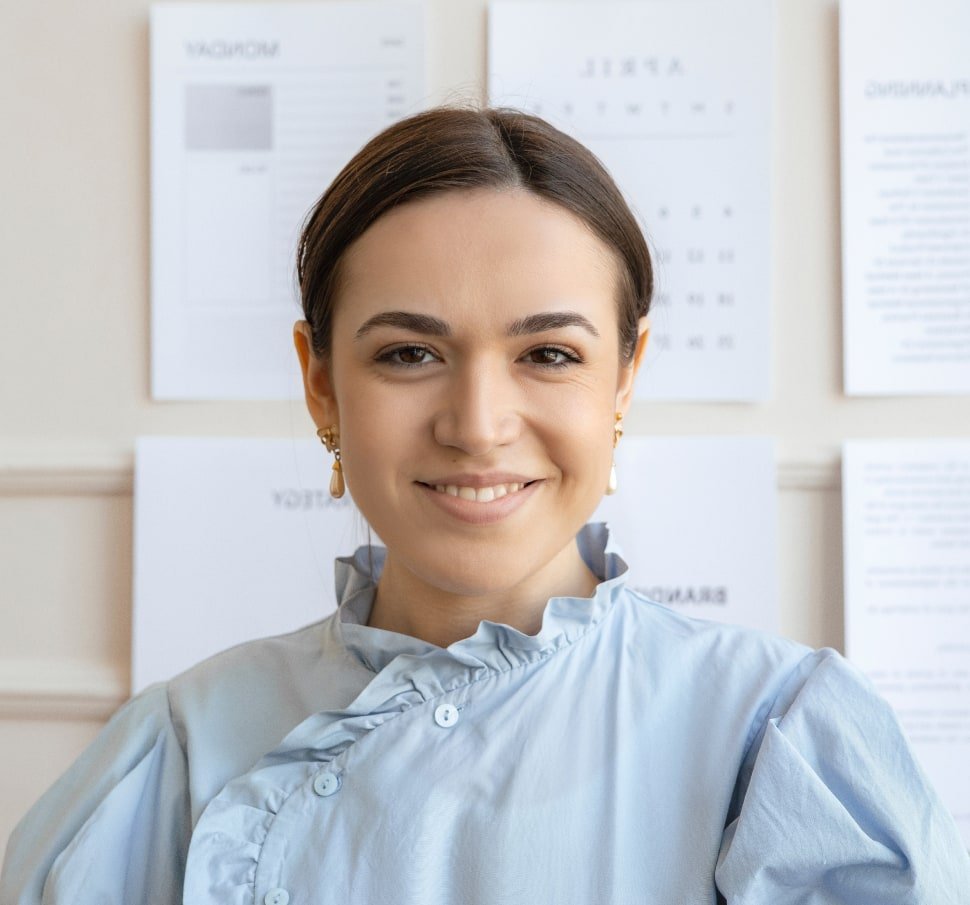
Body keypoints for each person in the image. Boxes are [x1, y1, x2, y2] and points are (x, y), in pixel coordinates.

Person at [2, 107, 968, 905]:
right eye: (408, 353)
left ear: (624, 381)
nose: (477, 424)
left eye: (549, 354)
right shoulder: (182, 742)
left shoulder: (772, 736)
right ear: (320, 383)